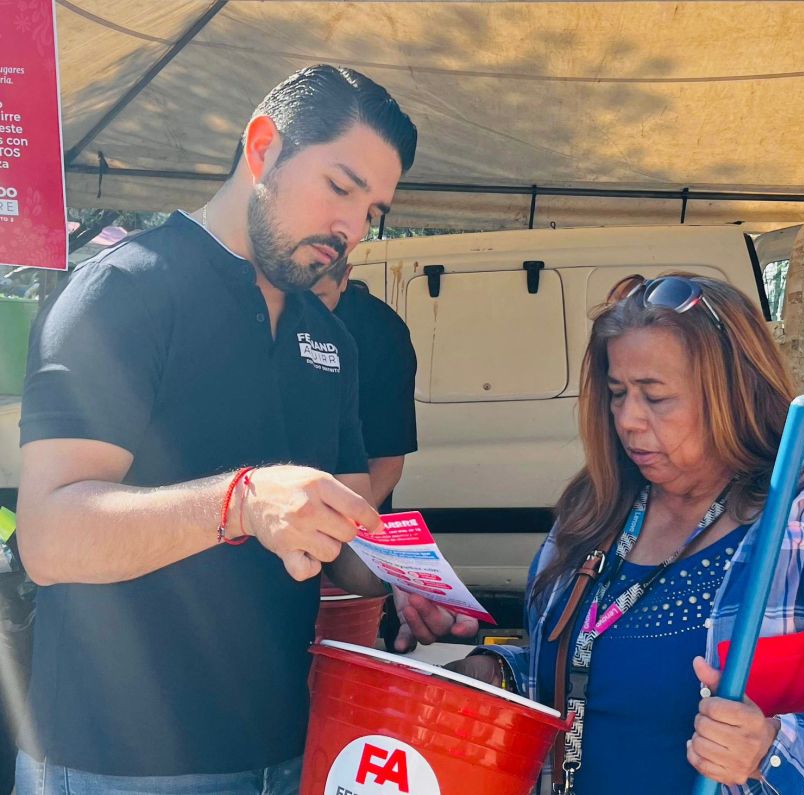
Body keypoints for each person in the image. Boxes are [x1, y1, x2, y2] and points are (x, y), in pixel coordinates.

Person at [15, 65, 475, 795]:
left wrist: (400, 580)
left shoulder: (331, 338)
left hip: (283, 751)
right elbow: (47, 538)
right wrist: (241, 501)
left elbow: (350, 537)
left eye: (373, 208)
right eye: (340, 187)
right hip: (120, 762)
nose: (352, 228)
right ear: (262, 148)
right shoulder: (122, 291)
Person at [447, 273, 804, 794]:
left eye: (656, 397)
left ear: (732, 392)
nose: (627, 419)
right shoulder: (594, 510)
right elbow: (585, 671)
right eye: (617, 393)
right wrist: (497, 674)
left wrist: (772, 747)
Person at [311, 259, 417, 511]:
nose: (303, 312)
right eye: (292, 296)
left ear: (345, 276)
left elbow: (387, 460)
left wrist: (344, 530)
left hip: (352, 507)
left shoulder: (381, 332)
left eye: (318, 297)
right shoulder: (265, 316)